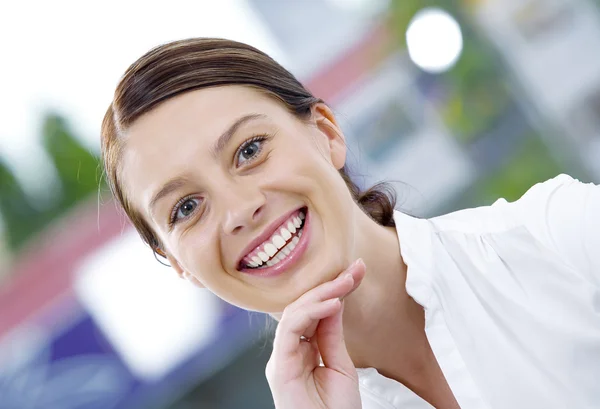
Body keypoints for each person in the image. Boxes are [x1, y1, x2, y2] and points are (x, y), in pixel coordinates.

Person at [100, 38, 600, 409]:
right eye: (185, 208)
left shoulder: (560, 238)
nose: (238, 211)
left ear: (326, 133)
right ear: (176, 265)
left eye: (249, 150)